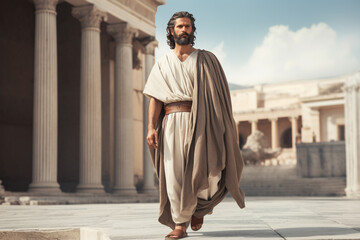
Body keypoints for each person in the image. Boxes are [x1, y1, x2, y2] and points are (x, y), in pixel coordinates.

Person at [143, 11, 245, 240]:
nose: (184, 30)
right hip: (171, 122)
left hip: (203, 121)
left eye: (188, 26)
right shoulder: (162, 64)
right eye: (180, 26)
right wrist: (151, 127)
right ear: (171, 31)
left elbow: (219, 97)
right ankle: (180, 223)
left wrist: (222, 127)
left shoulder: (206, 59)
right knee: (175, 173)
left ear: (192, 31)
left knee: (209, 171)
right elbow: (155, 99)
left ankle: (200, 207)